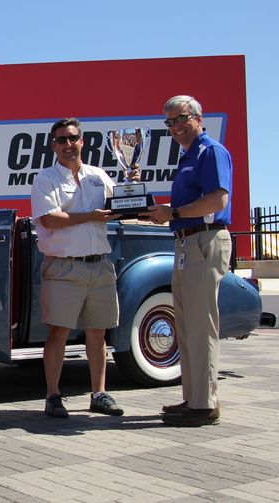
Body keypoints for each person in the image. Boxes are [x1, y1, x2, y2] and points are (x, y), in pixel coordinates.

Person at [142, 95, 232, 427]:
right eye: (170, 123)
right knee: (186, 325)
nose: (176, 127)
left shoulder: (210, 152)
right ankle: (193, 399)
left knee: (201, 325)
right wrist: (162, 212)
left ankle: (205, 404)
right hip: (185, 242)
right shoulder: (188, 156)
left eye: (181, 119)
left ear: (198, 118)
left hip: (203, 240)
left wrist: (174, 212)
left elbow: (217, 198)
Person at [31, 117, 128, 418]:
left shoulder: (98, 176)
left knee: (97, 334)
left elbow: (120, 205)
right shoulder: (45, 178)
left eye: (73, 138)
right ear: (53, 146)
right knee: (58, 333)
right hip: (64, 267)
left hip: (100, 265)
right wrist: (89, 216)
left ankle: (98, 394)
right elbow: (49, 219)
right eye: (61, 140)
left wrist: (132, 185)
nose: (68, 144)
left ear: (82, 141)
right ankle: (53, 396)